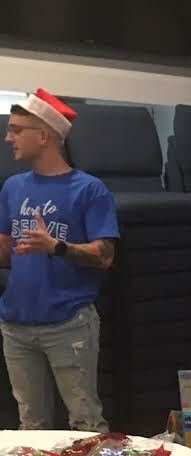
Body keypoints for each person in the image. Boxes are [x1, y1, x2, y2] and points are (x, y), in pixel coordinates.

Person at [0, 89, 116, 431]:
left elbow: (105, 257)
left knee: (85, 422)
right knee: (31, 425)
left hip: (68, 324)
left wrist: (56, 247)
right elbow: (6, 253)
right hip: (15, 325)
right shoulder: (12, 187)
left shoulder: (89, 189)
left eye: (17, 129)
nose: (9, 137)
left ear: (44, 135)